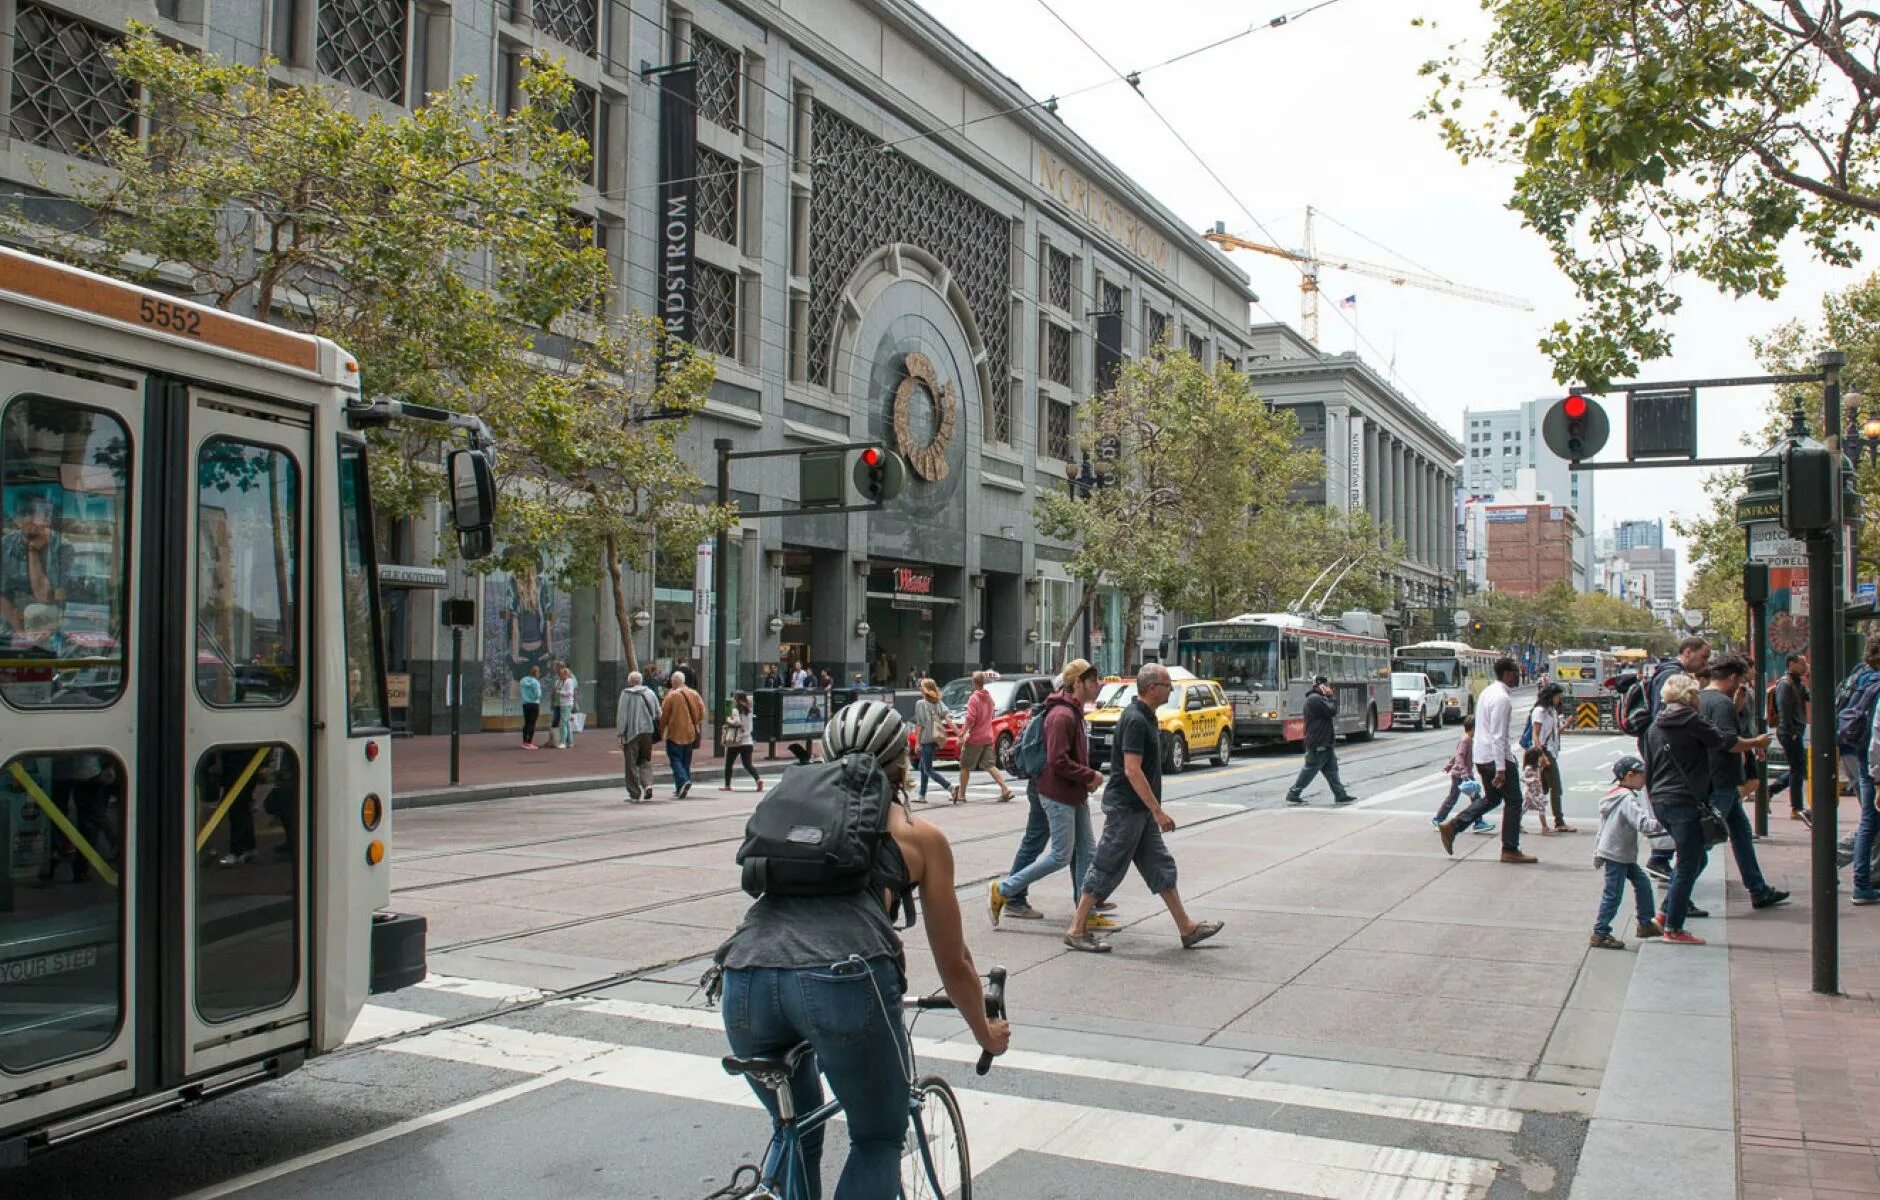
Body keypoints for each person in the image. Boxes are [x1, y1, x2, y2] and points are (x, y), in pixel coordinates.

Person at [712, 702, 1009, 1199]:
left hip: (744, 978)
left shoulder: (792, 815)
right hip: (844, 982)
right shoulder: (920, 837)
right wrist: (986, 1031)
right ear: (902, 763)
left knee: (796, 1129)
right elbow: (953, 962)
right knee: (876, 1136)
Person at [1063, 663, 1223, 954]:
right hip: (1127, 809)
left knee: (1160, 865)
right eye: (1167, 685)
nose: (1171, 690)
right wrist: (1158, 812)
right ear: (1152, 688)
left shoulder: (1146, 716)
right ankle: (1076, 929)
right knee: (1107, 864)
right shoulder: (1136, 719)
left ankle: (1186, 927)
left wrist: (1152, 811)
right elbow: (1132, 770)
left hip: (1140, 811)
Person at [1646, 673, 1769, 944]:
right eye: (1696, 694)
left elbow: (1650, 768)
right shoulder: (1691, 722)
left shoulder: (1656, 725)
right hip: (1684, 802)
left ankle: (1665, 916)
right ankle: (1673, 927)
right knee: (1690, 862)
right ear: (1689, 697)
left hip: (1662, 801)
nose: (1699, 699)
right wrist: (1755, 743)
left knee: (1696, 857)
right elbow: (1725, 742)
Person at [989, 660, 1107, 928]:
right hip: (1058, 794)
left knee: (1086, 852)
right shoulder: (1062, 715)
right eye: (1092, 680)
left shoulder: (1073, 712)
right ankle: (1005, 890)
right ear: (1077, 683)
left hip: (1073, 794)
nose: (1097, 685)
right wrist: (1090, 775)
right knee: (1060, 855)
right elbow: (1057, 761)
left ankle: (1085, 913)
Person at [1698, 655, 1789, 910]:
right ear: (1733, 678)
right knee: (1704, 841)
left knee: (1741, 833)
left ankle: (1758, 889)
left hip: (1711, 776)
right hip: (1723, 779)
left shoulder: (1701, 699)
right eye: (1742, 680)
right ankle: (1675, 899)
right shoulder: (1721, 703)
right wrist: (1755, 743)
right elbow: (1727, 741)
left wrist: (1736, 708)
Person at [1438, 657, 1535, 863]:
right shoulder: (1502, 698)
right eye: (1516, 672)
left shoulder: (1487, 692)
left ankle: (1453, 826)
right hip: (1495, 758)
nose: (1519, 676)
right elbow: (1498, 736)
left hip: (1483, 757)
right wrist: (1501, 769)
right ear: (1508, 673)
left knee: (1492, 798)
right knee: (1514, 801)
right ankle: (1509, 849)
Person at [1589, 756, 1665, 950]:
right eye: (1642, 775)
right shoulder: (1626, 799)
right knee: (1613, 894)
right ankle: (1601, 932)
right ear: (1630, 776)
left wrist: (1598, 851)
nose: (1645, 779)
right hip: (1617, 854)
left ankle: (1646, 923)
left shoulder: (1617, 795)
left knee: (1642, 883)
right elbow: (1643, 824)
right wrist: (1667, 822)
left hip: (1619, 852)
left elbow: (1603, 827)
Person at [0, 496, 71, 633]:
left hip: (47, 624)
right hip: (11, 624)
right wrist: (19, 633)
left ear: (46, 518)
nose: (28, 519)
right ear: (15, 519)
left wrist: (33, 551)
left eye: (33, 513)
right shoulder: (6, 543)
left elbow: (45, 597)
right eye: (22, 513)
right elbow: (2, 594)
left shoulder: (62, 547)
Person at [1284, 677, 1355, 805]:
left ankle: (1340, 795)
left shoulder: (1318, 699)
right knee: (1310, 769)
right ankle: (1294, 792)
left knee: (1332, 770)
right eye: (1326, 686)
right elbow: (1331, 710)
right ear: (1320, 686)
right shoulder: (1315, 699)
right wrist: (1332, 697)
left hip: (1325, 743)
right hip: (1318, 743)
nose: (1329, 688)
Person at [953, 671, 1015, 803]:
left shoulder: (973, 698)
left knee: (965, 766)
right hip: (988, 736)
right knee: (990, 765)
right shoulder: (989, 698)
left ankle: (962, 795)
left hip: (975, 738)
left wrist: (963, 734)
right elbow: (992, 715)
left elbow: (970, 718)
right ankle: (1005, 788)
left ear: (974, 683)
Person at [1432, 715, 1493, 833]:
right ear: (1473, 728)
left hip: (1464, 774)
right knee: (1454, 798)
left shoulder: (1467, 739)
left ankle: (1478, 822)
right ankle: (1438, 819)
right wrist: (1465, 774)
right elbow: (1459, 756)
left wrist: (1449, 765)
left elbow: (1457, 755)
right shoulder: (1466, 740)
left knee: (1474, 797)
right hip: (1461, 775)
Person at [1525, 684, 1574, 832]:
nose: (1559, 700)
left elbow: (1553, 733)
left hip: (1550, 751)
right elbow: (1536, 735)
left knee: (1541, 790)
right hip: (1544, 753)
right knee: (1556, 788)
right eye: (1558, 696)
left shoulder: (1551, 711)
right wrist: (1543, 757)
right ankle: (1559, 821)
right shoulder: (1540, 711)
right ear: (1551, 696)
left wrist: (1566, 724)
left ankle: (1517, 818)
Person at [1772, 654, 1809, 823]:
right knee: (1797, 769)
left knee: (1798, 768)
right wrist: (1792, 730)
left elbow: (1810, 696)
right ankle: (1796, 807)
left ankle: (1771, 790)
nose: (1805, 666)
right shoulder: (1785, 684)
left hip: (1795, 731)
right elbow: (1783, 709)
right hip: (1789, 732)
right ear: (1792, 664)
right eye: (1802, 664)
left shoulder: (1798, 683)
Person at [659, 669, 706, 798]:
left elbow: (664, 716)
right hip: (690, 733)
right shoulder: (694, 694)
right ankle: (681, 786)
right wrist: (696, 722)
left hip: (675, 733)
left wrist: (660, 730)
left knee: (675, 759)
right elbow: (702, 710)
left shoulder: (671, 696)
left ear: (673, 682)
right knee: (686, 760)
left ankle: (683, 780)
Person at [615, 671, 660, 802]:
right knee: (645, 759)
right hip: (648, 732)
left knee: (631, 763)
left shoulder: (626, 694)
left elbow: (622, 716)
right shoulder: (650, 693)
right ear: (641, 681)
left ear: (630, 681)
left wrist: (620, 734)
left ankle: (634, 792)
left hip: (632, 733)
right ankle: (648, 785)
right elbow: (658, 712)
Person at [911, 678, 954, 802]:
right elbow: (947, 717)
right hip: (936, 738)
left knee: (928, 769)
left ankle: (949, 787)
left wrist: (917, 743)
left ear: (925, 690)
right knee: (922, 766)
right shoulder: (938, 702)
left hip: (926, 739)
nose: (919, 688)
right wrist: (957, 732)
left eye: (921, 687)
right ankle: (922, 795)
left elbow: (919, 725)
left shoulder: (920, 703)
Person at [721, 692, 764, 792]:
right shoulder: (749, 711)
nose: (733, 700)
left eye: (734, 698)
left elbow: (737, 722)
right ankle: (758, 779)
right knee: (747, 764)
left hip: (736, 741)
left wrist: (728, 720)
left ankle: (727, 785)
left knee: (729, 764)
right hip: (748, 741)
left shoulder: (736, 710)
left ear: (737, 699)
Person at [1520, 746, 1554, 836]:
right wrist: (1532, 780)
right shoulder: (1529, 768)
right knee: (1524, 809)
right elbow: (1522, 778)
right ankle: (1516, 824)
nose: (1541, 758)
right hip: (1530, 793)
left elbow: (1545, 765)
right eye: (1539, 756)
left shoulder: (1537, 766)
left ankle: (1544, 827)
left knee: (1541, 807)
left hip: (1537, 792)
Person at [552, 664, 578, 749]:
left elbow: (569, 693)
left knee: (563, 722)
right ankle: (569, 741)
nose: (560, 676)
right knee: (566, 723)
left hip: (567, 704)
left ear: (566, 674)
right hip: (563, 703)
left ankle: (563, 742)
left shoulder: (569, 681)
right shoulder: (562, 681)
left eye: (562, 674)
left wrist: (559, 692)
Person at [518, 665, 543, 749]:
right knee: (532, 723)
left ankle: (524, 741)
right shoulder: (536, 682)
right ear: (537, 673)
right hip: (534, 704)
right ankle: (529, 742)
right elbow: (538, 695)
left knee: (526, 723)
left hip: (525, 704)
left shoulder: (523, 680)